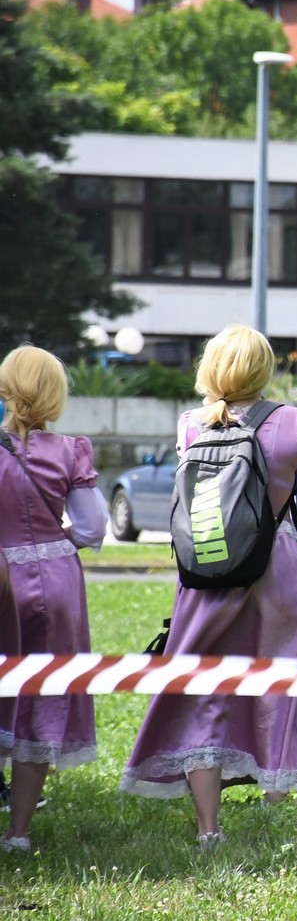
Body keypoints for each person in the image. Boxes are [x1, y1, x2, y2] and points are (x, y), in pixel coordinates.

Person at [121, 326, 297, 846]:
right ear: (265, 369)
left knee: (206, 689)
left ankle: (209, 830)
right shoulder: (296, 423)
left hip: (207, 575)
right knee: (296, 686)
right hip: (279, 568)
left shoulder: (189, 427)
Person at [0, 346, 107, 854]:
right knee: (43, 696)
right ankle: (18, 833)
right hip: (59, 582)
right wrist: (58, 536)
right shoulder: (69, 450)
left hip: (2, 579)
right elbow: (91, 526)